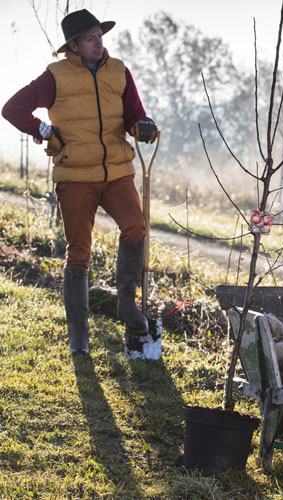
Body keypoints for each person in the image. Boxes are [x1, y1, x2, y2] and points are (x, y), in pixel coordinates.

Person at [2, 9, 158, 355]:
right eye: (90, 38)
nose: (98, 43)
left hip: (117, 173)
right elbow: (12, 108)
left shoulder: (119, 71)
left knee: (136, 225)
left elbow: (134, 115)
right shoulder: (54, 77)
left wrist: (143, 127)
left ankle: (126, 303)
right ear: (73, 45)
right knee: (79, 252)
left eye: (100, 36)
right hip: (74, 178)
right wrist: (44, 131)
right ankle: (79, 335)